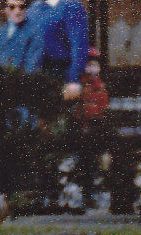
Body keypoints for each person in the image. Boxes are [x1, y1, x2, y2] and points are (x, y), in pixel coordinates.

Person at [26, 0, 88, 99]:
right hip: (33, 77)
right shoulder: (34, 8)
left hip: (59, 76)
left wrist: (74, 79)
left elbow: (79, 44)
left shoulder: (71, 6)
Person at [74, 46, 108, 208]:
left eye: (94, 65)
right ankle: (86, 195)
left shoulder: (100, 86)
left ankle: (93, 193)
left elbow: (103, 108)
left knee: (95, 163)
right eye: (88, 64)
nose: (91, 68)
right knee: (85, 162)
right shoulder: (80, 84)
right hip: (82, 129)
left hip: (96, 129)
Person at [0, 0, 40, 72]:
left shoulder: (34, 32)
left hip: (22, 79)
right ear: (5, 10)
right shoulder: (1, 32)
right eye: (12, 7)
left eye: (21, 7)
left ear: (26, 9)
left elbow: (32, 65)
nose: (17, 11)